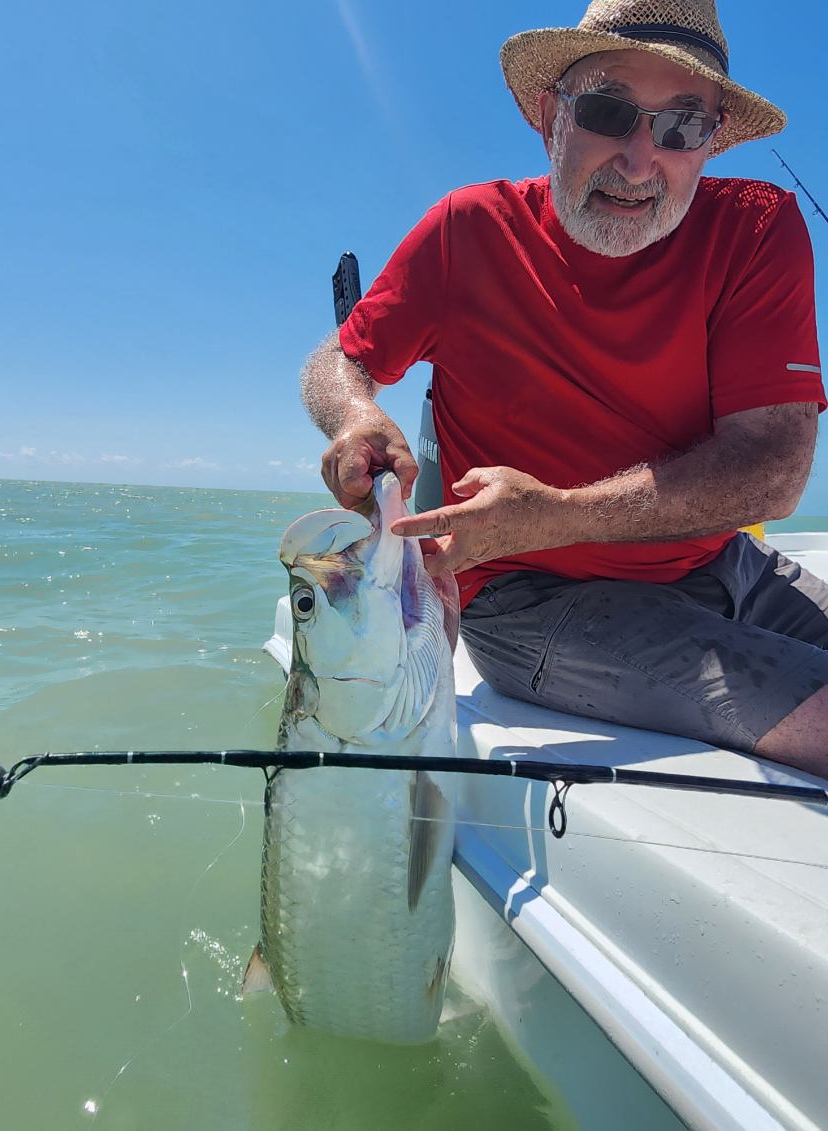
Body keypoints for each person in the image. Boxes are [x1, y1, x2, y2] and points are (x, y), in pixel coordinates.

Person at [300, 0, 826, 777]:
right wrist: (352, 411)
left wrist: (553, 511)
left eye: (682, 126)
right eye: (609, 112)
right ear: (551, 115)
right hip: (530, 598)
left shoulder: (757, 229)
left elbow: (773, 468)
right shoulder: (467, 230)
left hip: (729, 566)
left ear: (712, 139)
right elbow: (338, 359)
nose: (640, 161)